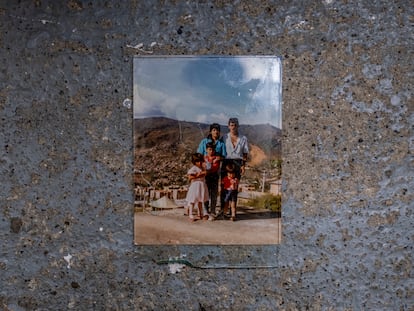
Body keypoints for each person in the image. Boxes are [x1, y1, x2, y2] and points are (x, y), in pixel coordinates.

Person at [219, 117, 249, 216]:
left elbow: (245, 153)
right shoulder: (224, 137)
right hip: (226, 162)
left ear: (238, 126)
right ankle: (223, 210)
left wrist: (243, 165)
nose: (233, 127)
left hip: (237, 162)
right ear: (228, 126)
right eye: (231, 125)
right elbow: (219, 150)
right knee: (224, 186)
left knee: (234, 187)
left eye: (235, 125)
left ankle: (233, 211)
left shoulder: (243, 138)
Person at [197, 123, 226, 215]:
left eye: (217, 130)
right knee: (205, 191)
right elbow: (199, 155)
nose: (216, 132)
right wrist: (203, 164)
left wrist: (219, 158)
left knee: (214, 192)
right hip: (205, 172)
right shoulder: (204, 142)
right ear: (210, 131)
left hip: (215, 172)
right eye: (214, 130)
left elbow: (224, 155)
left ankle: (213, 211)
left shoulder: (221, 144)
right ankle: (205, 211)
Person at [185, 153, 209, 222]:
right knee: (193, 200)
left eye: (200, 161)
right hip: (195, 185)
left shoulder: (203, 167)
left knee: (200, 200)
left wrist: (201, 173)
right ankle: (191, 214)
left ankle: (200, 213)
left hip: (201, 185)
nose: (199, 163)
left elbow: (205, 172)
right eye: (197, 161)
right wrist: (198, 175)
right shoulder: (194, 168)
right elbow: (190, 177)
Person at [203, 142, 221, 216]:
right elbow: (205, 167)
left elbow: (214, 167)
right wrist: (211, 163)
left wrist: (210, 163)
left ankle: (213, 210)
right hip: (206, 177)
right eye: (209, 149)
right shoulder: (204, 158)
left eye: (213, 150)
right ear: (206, 150)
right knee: (206, 194)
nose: (211, 151)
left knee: (214, 194)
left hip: (214, 177)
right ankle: (205, 210)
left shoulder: (217, 158)